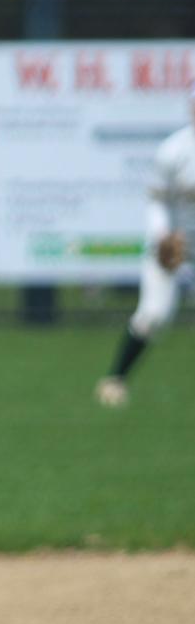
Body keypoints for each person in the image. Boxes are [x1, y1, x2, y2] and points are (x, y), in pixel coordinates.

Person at [94, 84, 195, 408]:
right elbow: (155, 201)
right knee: (153, 315)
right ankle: (115, 379)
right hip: (174, 246)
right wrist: (162, 235)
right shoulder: (174, 150)